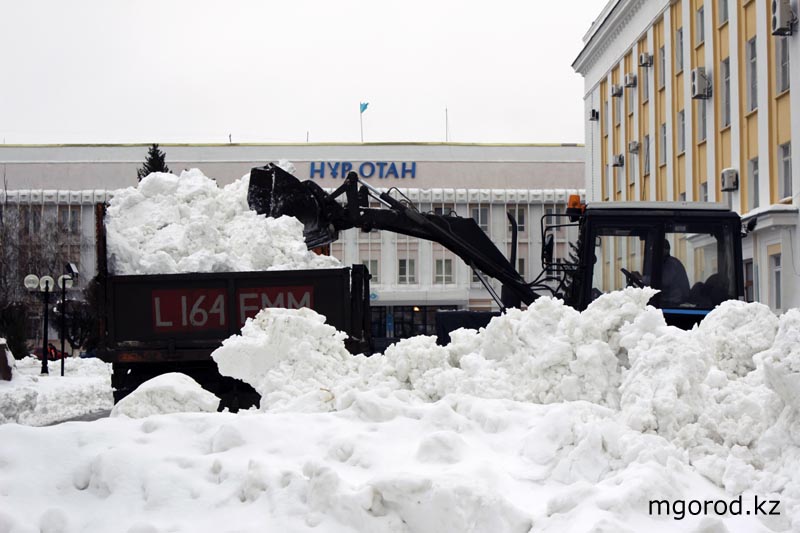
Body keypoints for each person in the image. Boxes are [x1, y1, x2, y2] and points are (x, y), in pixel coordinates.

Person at [661, 240, 690, 305]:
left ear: (665, 250)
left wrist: (643, 279)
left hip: (674, 302)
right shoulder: (665, 263)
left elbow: (664, 281)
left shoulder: (671, 263)